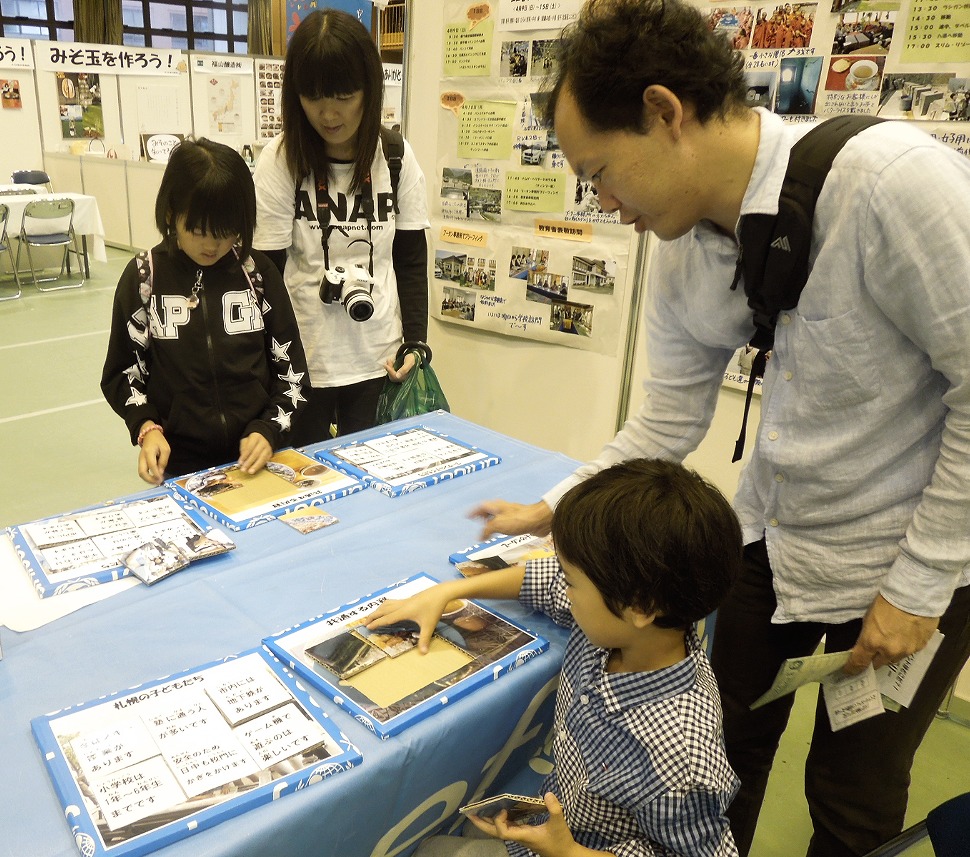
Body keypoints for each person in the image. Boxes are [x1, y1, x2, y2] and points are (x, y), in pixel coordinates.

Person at [467, 1, 970, 855]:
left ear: (664, 113)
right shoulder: (683, 244)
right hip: (770, 537)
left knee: (853, 793)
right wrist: (556, 508)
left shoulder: (890, 184)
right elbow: (664, 416)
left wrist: (918, 589)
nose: (604, 201)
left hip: (907, 557)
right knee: (722, 750)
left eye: (601, 171)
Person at [369, 459, 743, 857]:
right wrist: (445, 594)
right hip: (561, 820)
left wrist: (568, 853)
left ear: (640, 606)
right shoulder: (628, 626)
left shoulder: (680, 759)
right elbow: (544, 579)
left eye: (572, 580)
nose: (561, 583)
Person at [253, 9, 430, 444]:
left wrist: (417, 344)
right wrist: (271, 362)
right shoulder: (281, 161)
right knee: (306, 490)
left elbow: (409, 260)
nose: (329, 114)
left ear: (370, 90)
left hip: (380, 358)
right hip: (302, 363)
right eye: (313, 98)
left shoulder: (395, 157)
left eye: (344, 96)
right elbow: (265, 274)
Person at [101, 138, 309, 484]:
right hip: (181, 466)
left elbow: (293, 372)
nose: (212, 246)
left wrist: (270, 428)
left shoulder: (257, 273)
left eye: (226, 233)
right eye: (198, 232)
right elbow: (123, 372)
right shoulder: (144, 278)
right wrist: (147, 427)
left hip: (259, 460)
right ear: (171, 214)